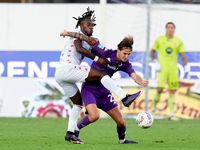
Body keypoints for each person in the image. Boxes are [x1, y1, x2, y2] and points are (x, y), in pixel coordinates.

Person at [55, 7, 141, 144]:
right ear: (81, 26)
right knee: (101, 74)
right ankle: (124, 97)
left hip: (60, 75)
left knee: (78, 103)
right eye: (88, 25)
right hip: (68, 68)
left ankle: (70, 133)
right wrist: (97, 59)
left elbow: (93, 47)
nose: (91, 27)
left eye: (92, 25)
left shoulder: (88, 40)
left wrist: (101, 55)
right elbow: (79, 49)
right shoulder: (77, 34)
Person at [150, 22, 189, 121]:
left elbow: (182, 55)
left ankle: (171, 115)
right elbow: (152, 52)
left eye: (172, 27)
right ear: (166, 29)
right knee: (159, 89)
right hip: (162, 70)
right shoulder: (160, 39)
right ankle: (153, 110)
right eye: (168, 27)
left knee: (172, 91)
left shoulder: (178, 41)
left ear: (174, 29)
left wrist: (186, 65)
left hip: (173, 71)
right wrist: (155, 62)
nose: (170, 29)